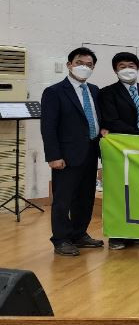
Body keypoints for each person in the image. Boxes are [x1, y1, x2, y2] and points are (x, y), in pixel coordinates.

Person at [40, 47, 105, 257]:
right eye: (79, 63)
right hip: (66, 155)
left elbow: (97, 118)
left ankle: (79, 234)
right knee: (63, 199)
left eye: (89, 65)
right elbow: (48, 127)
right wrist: (53, 156)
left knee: (85, 197)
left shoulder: (94, 90)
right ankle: (61, 239)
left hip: (91, 151)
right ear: (69, 65)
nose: (84, 67)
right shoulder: (54, 92)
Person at [98, 52, 139, 251]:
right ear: (115, 70)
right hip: (121, 151)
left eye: (131, 65)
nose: (127, 69)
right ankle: (118, 235)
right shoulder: (107, 93)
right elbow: (111, 121)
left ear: (138, 67)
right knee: (120, 192)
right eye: (122, 66)